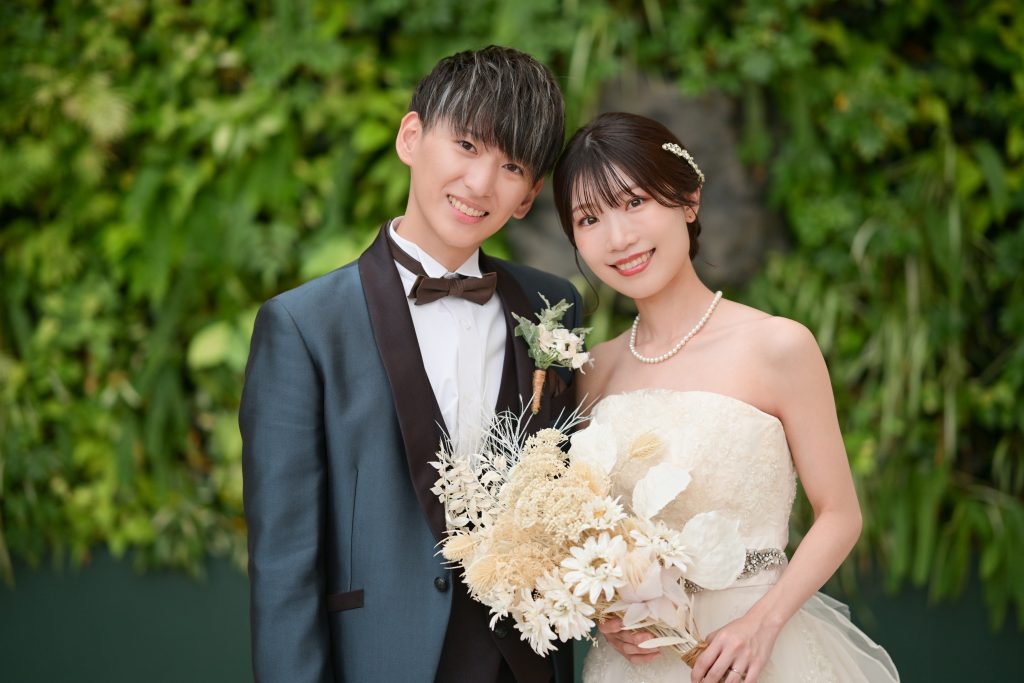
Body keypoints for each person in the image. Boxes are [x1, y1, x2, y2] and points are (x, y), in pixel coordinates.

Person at [240, 46, 580, 683]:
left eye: (511, 166)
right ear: (411, 137)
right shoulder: (304, 326)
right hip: (379, 660)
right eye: (468, 145)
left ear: (530, 195)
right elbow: (284, 566)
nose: (481, 184)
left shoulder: (551, 307)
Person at [551, 112, 900, 683]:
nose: (619, 238)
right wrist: (605, 612)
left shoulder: (778, 345)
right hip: (635, 662)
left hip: (756, 649)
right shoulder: (592, 371)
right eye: (590, 218)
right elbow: (590, 535)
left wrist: (762, 624)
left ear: (688, 200)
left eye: (635, 202)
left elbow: (840, 515)